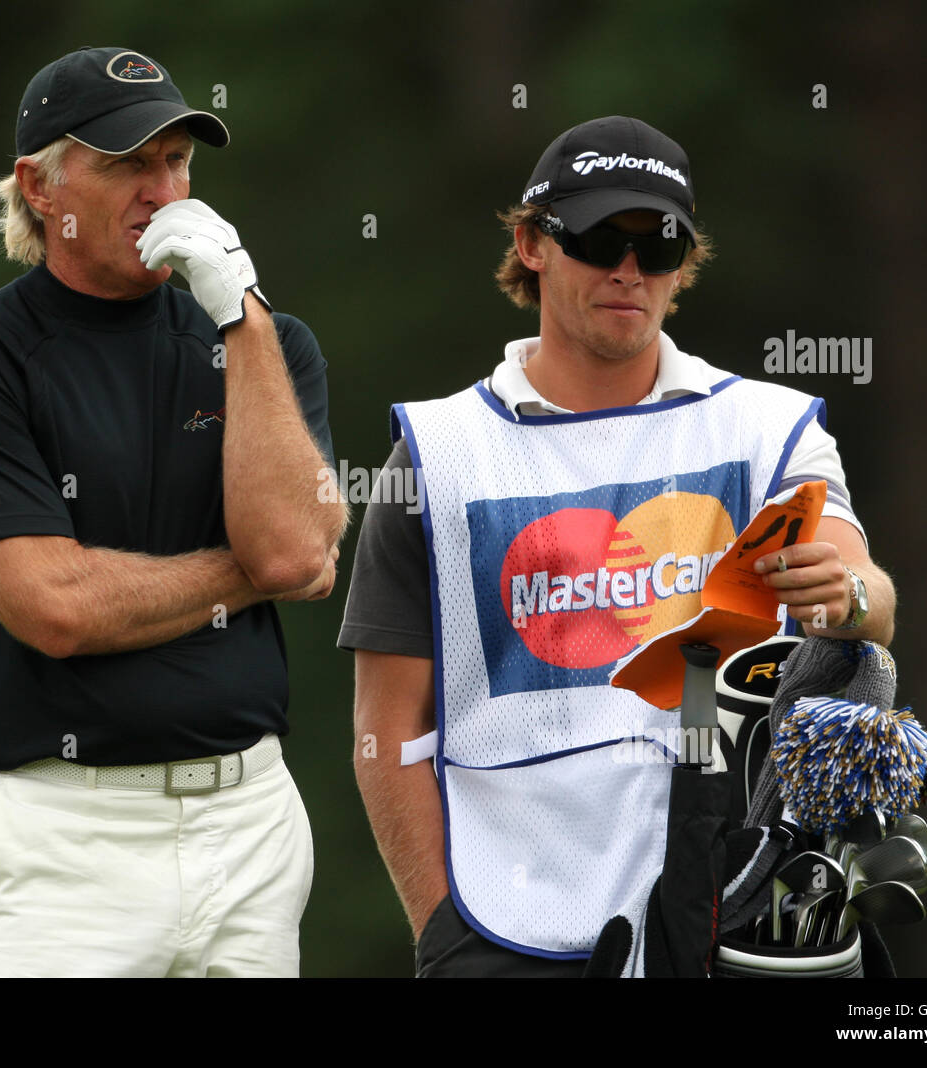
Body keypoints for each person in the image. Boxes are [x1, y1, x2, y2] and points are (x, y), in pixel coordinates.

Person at [338, 116, 895, 977]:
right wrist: (444, 936)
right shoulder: (437, 451)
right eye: (601, 239)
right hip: (505, 922)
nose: (630, 270)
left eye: (660, 243)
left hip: (731, 905)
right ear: (532, 245)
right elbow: (386, 728)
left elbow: (867, 598)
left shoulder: (767, 428)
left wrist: (849, 598)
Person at [0, 46, 347, 978]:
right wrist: (244, 567)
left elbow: (299, 558)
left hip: (251, 821)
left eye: (177, 161)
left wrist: (243, 314)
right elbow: (55, 608)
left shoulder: (267, 344)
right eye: (127, 163)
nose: (164, 191)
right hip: (66, 838)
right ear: (40, 186)